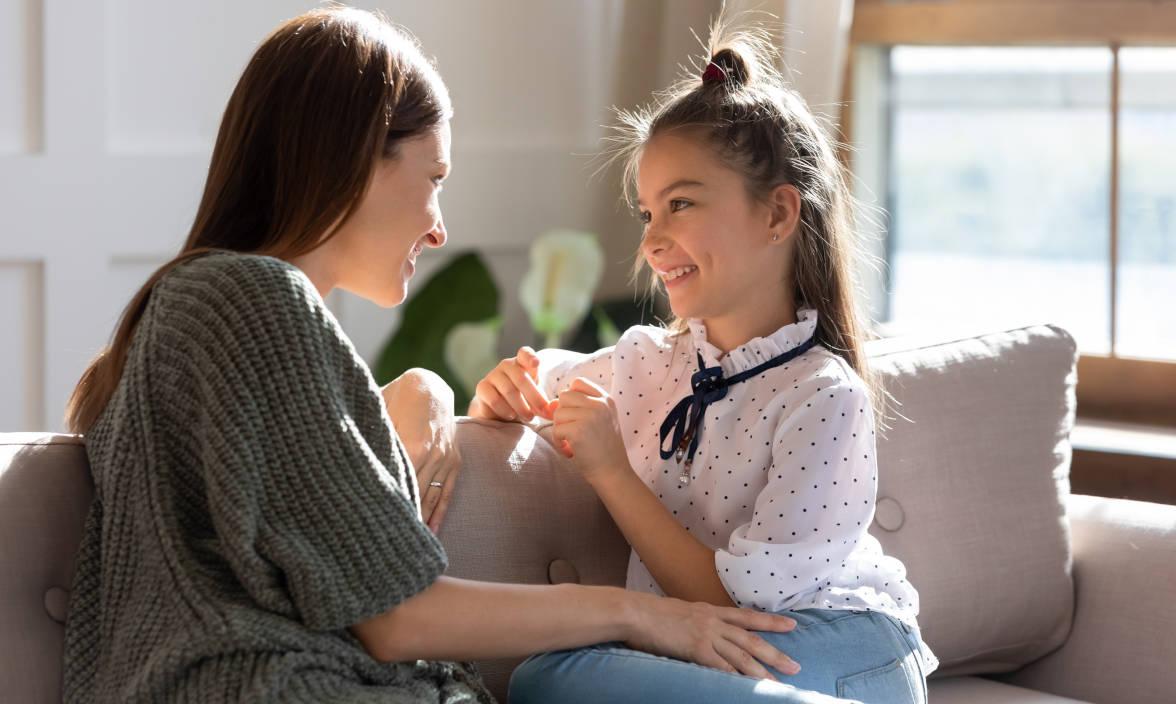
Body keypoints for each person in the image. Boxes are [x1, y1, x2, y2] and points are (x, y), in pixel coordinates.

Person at [60, 8, 798, 703]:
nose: (441, 228)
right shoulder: (251, 297)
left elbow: (288, 491)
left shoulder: (210, 307)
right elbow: (398, 618)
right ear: (355, 159)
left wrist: (421, 390)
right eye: (435, 178)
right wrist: (643, 616)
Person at [471, 21, 939, 704]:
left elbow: (733, 602)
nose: (654, 240)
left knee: (560, 679)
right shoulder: (644, 364)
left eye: (681, 204)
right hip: (714, 653)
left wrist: (608, 468)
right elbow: (527, 384)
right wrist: (501, 395)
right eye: (646, 212)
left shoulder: (824, 398)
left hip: (847, 645)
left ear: (777, 215)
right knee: (547, 681)